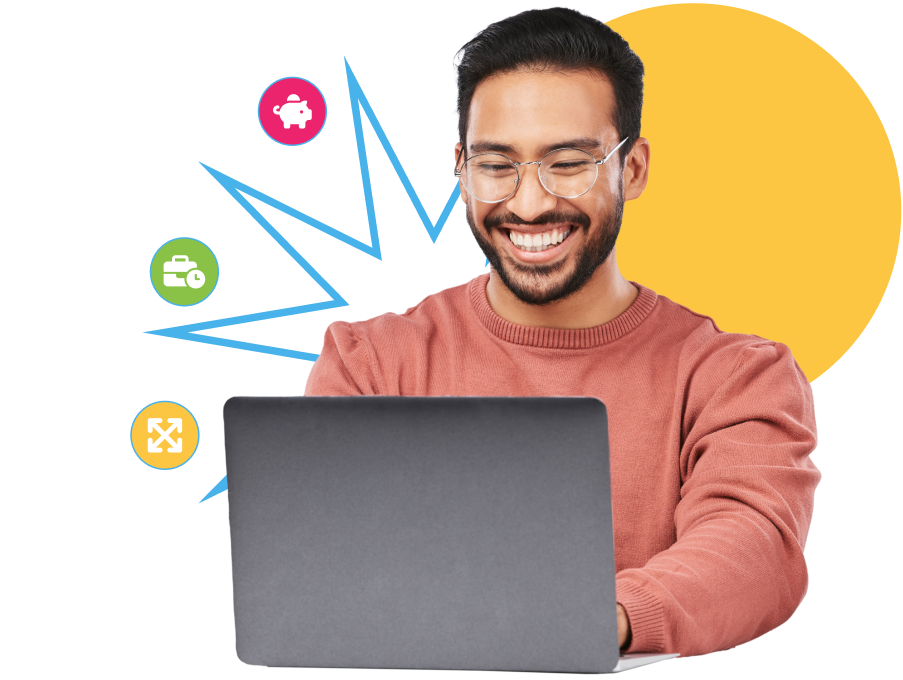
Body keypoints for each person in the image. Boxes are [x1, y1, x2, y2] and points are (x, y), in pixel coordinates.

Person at [304, 7, 822, 659]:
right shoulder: (368, 362)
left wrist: (592, 621)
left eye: (568, 163)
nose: (527, 204)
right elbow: (329, 571)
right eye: (496, 165)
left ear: (631, 169)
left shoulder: (736, 376)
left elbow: (756, 549)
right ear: (460, 167)